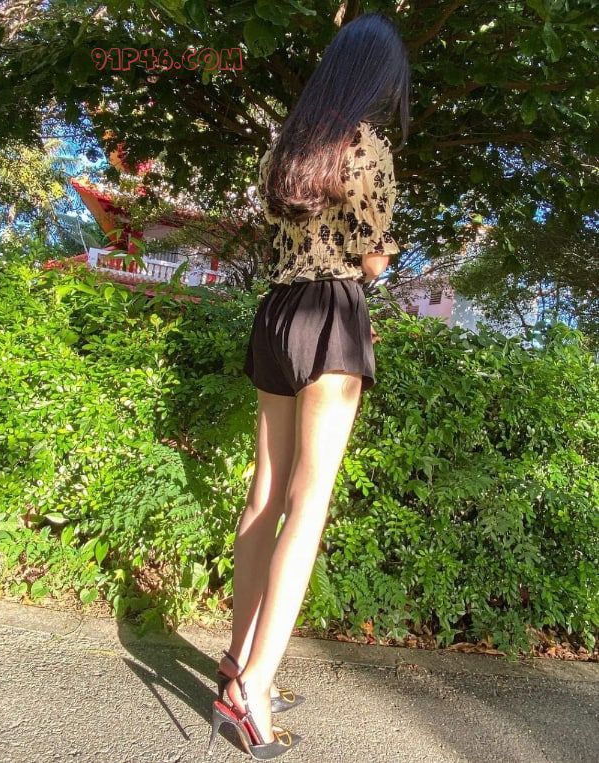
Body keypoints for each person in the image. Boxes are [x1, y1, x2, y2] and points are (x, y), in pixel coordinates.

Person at [207, 10, 410, 759]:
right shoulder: (367, 147)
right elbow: (372, 260)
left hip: (276, 312)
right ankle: (255, 688)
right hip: (331, 315)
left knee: (264, 495)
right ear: (375, 78)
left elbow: (279, 230)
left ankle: (236, 662)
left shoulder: (286, 146)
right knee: (308, 502)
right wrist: (377, 258)